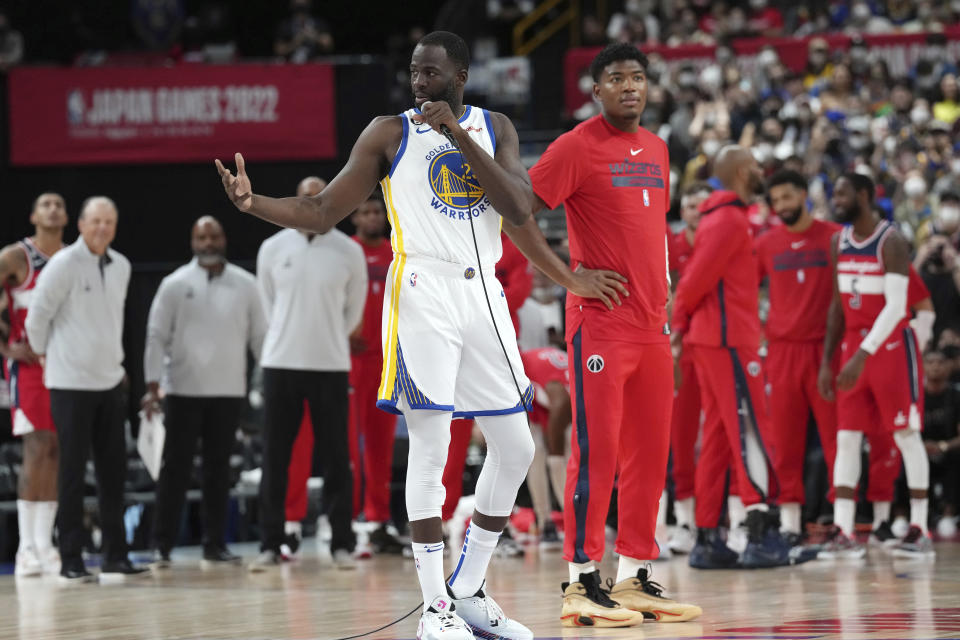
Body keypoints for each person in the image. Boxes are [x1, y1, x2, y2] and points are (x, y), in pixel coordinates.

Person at [217, 31, 537, 640]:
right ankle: (435, 609)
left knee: (516, 447)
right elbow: (320, 211)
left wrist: (459, 138)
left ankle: (468, 589)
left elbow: (520, 209)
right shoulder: (388, 133)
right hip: (422, 288)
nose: (420, 84)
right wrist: (252, 202)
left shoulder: (494, 127)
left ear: (461, 75)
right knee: (432, 446)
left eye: (432, 74)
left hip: (484, 291)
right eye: (415, 73)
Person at [505, 43, 701, 625]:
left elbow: (652, 236)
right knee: (598, 453)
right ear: (596, 91)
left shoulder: (660, 148)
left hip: (650, 327)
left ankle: (637, 574)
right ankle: (580, 582)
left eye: (637, 77)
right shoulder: (574, 147)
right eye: (615, 78)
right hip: (601, 327)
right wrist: (568, 276)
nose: (629, 87)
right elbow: (516, 211)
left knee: (649, 454)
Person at [671, 146, 789, 570]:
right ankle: (760, 531)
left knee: (720, 436)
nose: (762, 172)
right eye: (756, 166)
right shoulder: (727, 220)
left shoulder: (723, 217)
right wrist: (678, 328)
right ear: (742, 172)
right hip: (727, 341)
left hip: (718, 339)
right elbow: (694, 281)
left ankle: (707, 537)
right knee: (753, 429)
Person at [25, 196, 147, 582]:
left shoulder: (123, 266)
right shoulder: (63, 265)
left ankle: (115, 555)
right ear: (81, 224)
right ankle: (72, 558)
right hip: (69, 384)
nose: (102, 229)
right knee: (72, 473)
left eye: (109, 222)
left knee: (113, 474)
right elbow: (37, 318)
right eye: (95, 221)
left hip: (110, 383)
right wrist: (47, 357)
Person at [251, 173, 366, 571]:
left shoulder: (348, 252)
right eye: (304, 199)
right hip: (280, 363)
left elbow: (354, 312)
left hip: (331, 364)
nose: (312, 205)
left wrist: (329, 336)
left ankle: (341, 544)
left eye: (320, 199)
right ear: (293, 202)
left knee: (337, 458)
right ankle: (270, 543)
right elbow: (268, 306)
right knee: (275, 457)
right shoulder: (271, 247)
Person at [817, 173, 934, 559]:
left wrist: (861, 354)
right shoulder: (838, 242)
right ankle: (844, 530)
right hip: (853, 346)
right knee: (847, 437)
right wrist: (827, 362)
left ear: (864, 196)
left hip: (888, 348)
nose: (837, 199)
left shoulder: (892, 241)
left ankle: (919, 528)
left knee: (905, 434)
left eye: (843, 193)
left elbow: (899, 307)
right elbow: (836, 307)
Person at [142, 216, 266, 568]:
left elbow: (261, 339)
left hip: (229, 392)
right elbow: (155, 336)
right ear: (192, 242)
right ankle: (160, 546)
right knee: (174, 470)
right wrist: (153, 384)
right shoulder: (174, 284)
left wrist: (266, 381)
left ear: (223, 238)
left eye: (214, 235)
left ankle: (215, 545)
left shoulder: (247, 284)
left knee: (218, 472)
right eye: (201, 237)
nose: (208, 242)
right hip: (181, 391)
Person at [754, 170, 840, 546]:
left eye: (788, 197)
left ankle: (843, 520)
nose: (782, 206)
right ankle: (790, 523)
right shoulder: (766, 243)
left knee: (838, 439)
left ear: (804, 194)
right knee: (785, 441)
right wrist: (759, 332)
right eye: (776, 201)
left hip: (827, 350)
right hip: (782, 352)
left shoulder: (835, 236)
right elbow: (745, 290)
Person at [0, 193, 67, 576]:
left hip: (66, 366)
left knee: (57, 450)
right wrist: (5, 348)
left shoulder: (75, 258)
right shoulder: (15, 257)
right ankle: (26, 547)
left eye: (59, 204)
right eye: (45, 204)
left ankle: (46, 543)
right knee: (36, 447)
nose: (53, 209)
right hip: (28, 368)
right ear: (33, 214)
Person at [347, 196, 404, 553]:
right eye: (365, 211)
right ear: (354, 216)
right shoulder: (346, 252)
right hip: (352, 362)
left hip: (387, 362)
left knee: (382, 447)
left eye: (377, 211)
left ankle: (378, 518)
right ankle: (349, 521)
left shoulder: (395, 252)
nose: (372, 217)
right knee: (350, 446)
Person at [667, 182, 712, 555]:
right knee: (681, 436)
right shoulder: (673, 246)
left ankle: (721, 519)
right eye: (691, 205)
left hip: (716, 343)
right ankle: (684, 521)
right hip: (683, 346)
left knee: (720, 432)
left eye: (702, 204)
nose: (696, 211)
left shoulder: (723, 240)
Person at [520, 346, 570, 549]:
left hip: (551, 388)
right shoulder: (559, 394)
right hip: (533, 383)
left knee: (563, 457)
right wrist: (555, 455)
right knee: (540, 453)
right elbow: (560, 407)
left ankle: (574, 520)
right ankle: (546, 521)